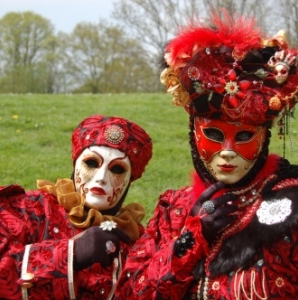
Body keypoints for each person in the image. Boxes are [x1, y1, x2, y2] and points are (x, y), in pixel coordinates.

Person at [115, 10, 298, 299]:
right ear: (193, 133)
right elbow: (131, 291)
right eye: (213, 135)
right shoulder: (173, 209)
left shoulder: (290, 202)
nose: (227, 152)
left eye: (244, 137)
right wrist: (191, 239)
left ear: (264, 138)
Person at [0, 114, 152, 299]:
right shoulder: (24, 210)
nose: (101, 177)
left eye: (117, 169)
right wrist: (71, 253)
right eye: (91, 163)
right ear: (76, 164)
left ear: (129, 181)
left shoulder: (136, 240)